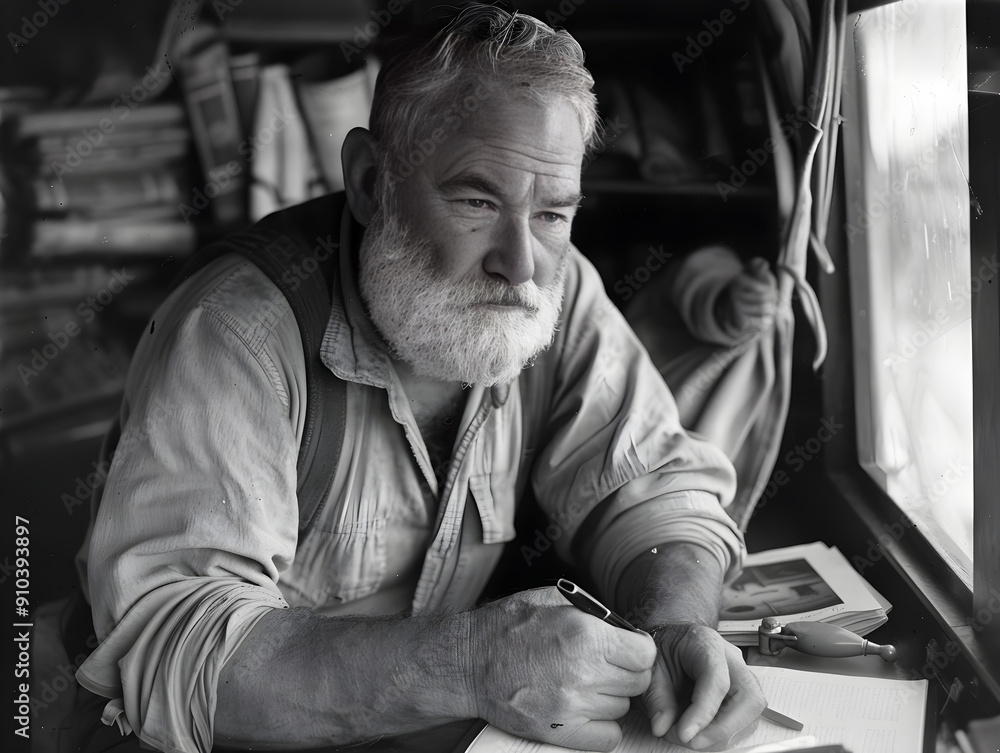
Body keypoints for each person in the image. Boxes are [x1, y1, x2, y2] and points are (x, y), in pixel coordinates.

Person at [72, 5, 767, 752]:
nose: (521, 263)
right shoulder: (237, 331)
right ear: (372, 181)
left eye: (552, 214)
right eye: (476, 201)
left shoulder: (550, 295)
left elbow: (660, 489)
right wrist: (473, 664)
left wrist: (677, 623)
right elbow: (176, 653)